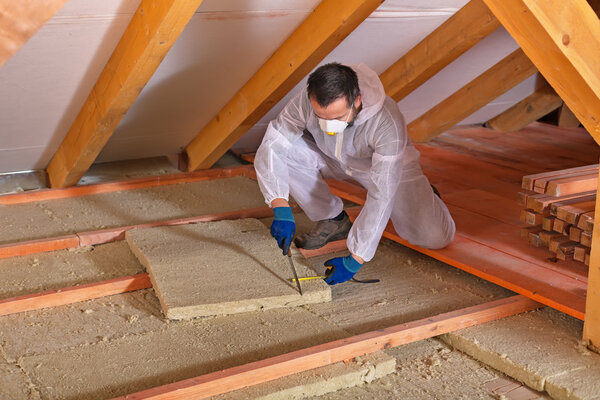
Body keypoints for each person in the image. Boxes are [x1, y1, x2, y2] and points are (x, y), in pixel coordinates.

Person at [254, 62, 455, 285]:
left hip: (382, 168)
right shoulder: (306, 100)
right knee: (286, 149)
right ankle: (333, 219)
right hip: (330, 155)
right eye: (321, 117)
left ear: (357, 100)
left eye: (337, 118)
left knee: (433, 237)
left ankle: (428, 197)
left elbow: (382, 193)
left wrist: (356, 258)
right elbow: (274, 144)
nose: (328, 125)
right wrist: (279, 204)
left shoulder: (386, 121)